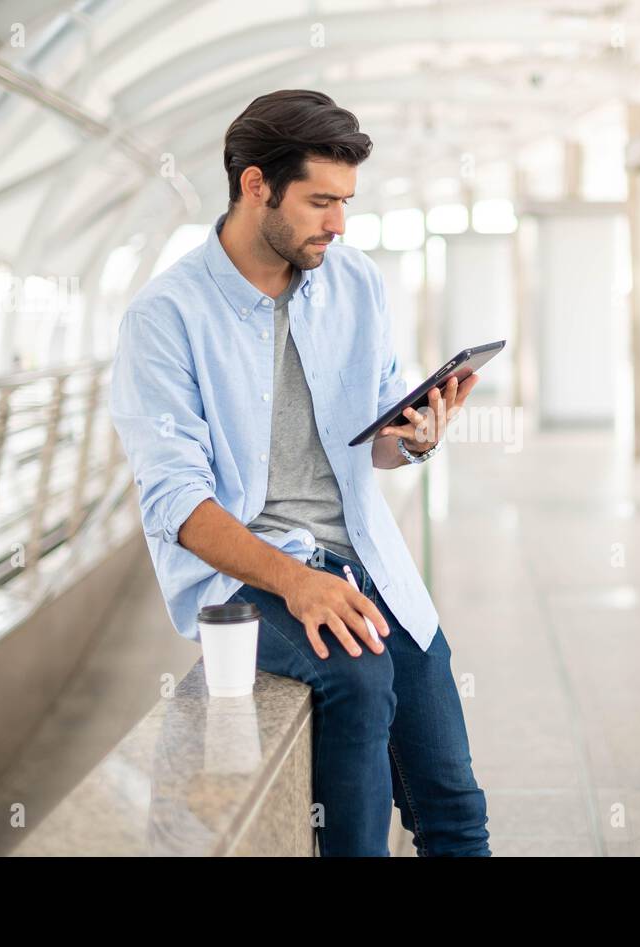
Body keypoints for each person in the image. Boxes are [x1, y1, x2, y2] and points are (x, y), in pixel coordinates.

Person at [109, 89, 490, 856]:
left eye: (345, 202)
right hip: (249, 571)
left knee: (454, 805)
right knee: (358, 677)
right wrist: (294, 578)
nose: (338, 225)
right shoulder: (165, 317)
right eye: (321, 202)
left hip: (367, 558)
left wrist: (414, 436)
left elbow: (374, 439)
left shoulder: (355, 284)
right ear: (256, 186)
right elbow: (177, 501)